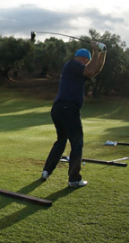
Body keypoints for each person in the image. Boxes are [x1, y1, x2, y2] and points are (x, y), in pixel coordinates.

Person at [41, 41, 107, 187]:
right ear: (84, 59)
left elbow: (95, 70)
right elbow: (90, 70)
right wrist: (96, 51)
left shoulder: (76, 70)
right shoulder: (72, 64)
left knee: (61, 140)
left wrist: (102, 53)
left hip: (59, 109)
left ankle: (46, 170)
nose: (89, 63)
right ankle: (74, 179)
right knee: (77, 143)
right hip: (68, 108)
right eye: (88, 60)